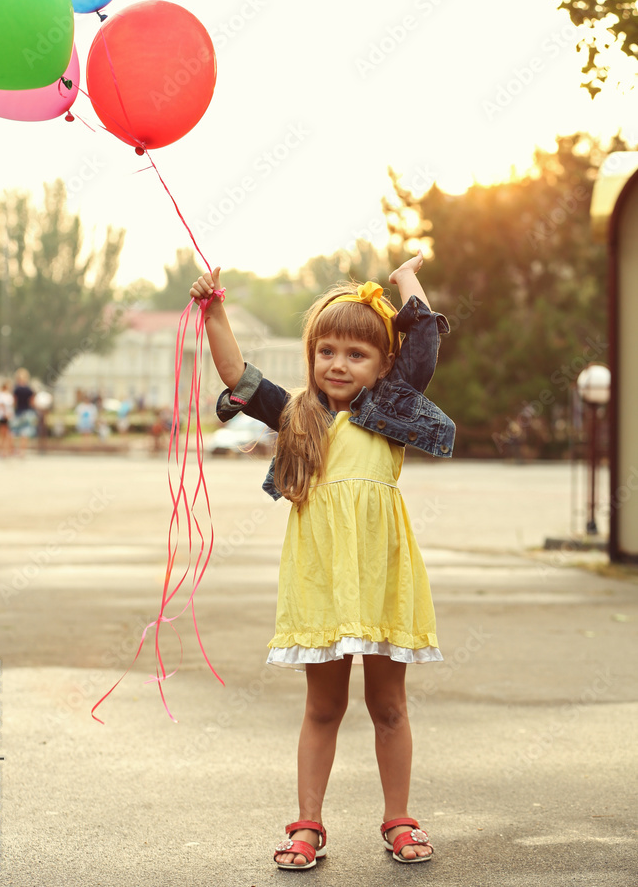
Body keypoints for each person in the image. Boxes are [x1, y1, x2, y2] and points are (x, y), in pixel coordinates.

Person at [190, 252, 455, 869]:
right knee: (323, 707)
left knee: (388, 706)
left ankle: (399, 821)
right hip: (320, 582)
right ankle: (307, 825)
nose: (338, 363)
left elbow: (422, 344)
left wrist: (405, 280)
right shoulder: (296, 414)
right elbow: (236, 372)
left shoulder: (391, 409)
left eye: (356, 354)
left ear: (384, 365)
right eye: (326, 351)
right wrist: (215, 309)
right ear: (311, 356)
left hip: (383, 578)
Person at [11, 368, 37, 455]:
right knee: (25, 433)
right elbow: (32, 403)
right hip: (28, 413)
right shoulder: (29, 390)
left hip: (18, 412)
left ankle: (14, 450)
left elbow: (14, 402)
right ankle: (23, 452)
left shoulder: (16, 389)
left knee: (14, 432)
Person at [0, 381, 14, 457]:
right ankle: (1, 451)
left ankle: (7, 450)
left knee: (7, 434)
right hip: (2, 416)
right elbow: (1, 405)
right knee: (1, 434)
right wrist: (5, 413)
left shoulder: (9, 395)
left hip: (7, 417)